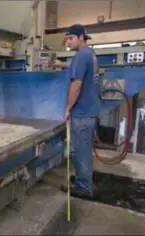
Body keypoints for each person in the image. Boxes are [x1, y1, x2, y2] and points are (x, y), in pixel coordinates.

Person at [52, 24, 100, 198]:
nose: (68, 41)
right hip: (90, 110)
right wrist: (61, 64)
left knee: (79, 151)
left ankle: (83, 187)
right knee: (84, 150)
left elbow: (77, 85)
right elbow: (75, 65)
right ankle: (83, 179)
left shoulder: (81, 56)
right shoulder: (90, 54)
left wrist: (67, 108)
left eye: (71, 38)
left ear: (81, 37)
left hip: (82, 112)